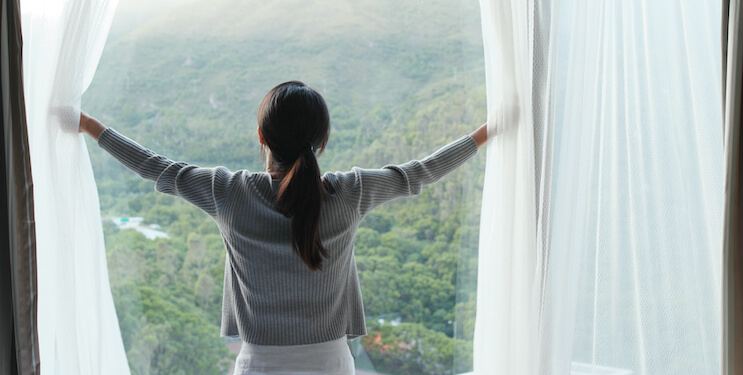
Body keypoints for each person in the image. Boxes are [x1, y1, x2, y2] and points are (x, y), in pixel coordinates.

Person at [79, 80, 489, 375]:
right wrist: (485, 133)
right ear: (322, 141)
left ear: (262, 137)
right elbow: (420, 172)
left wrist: (89, 125)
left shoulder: (229, 192)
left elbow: (158, 168)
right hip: (332, 365)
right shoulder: (351, 192)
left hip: (258, 365)